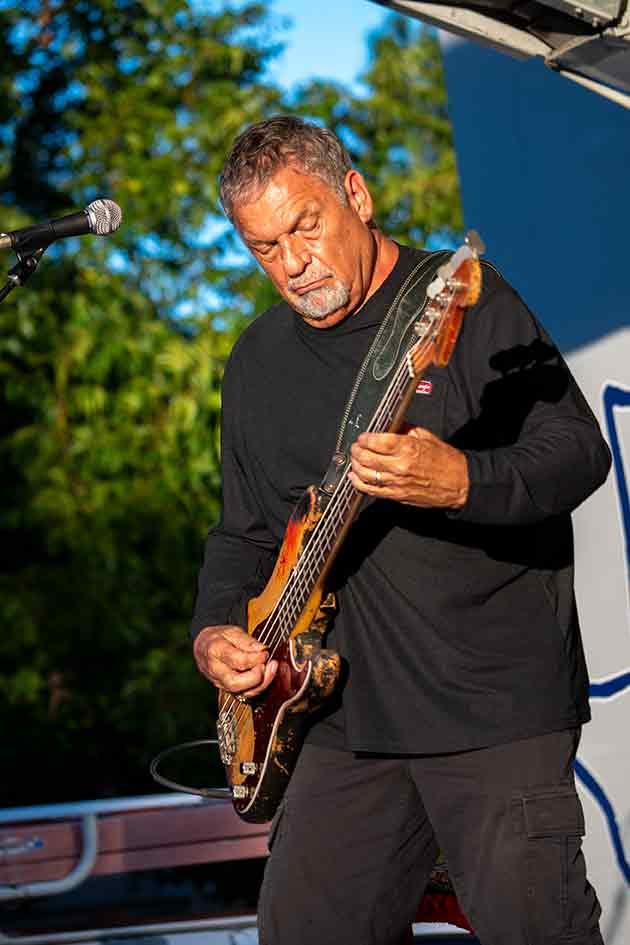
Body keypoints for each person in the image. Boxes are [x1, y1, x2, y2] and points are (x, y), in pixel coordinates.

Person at [191, 116, 610, 945]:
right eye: (265, 247)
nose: (292, 262)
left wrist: (462, 482)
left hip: (489, 708)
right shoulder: (257, 360)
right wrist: (213, 630)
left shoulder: (460, 299)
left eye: (305, 226)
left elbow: (578, 452)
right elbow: (243, 532)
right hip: (340, 720)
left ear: (356, 194)